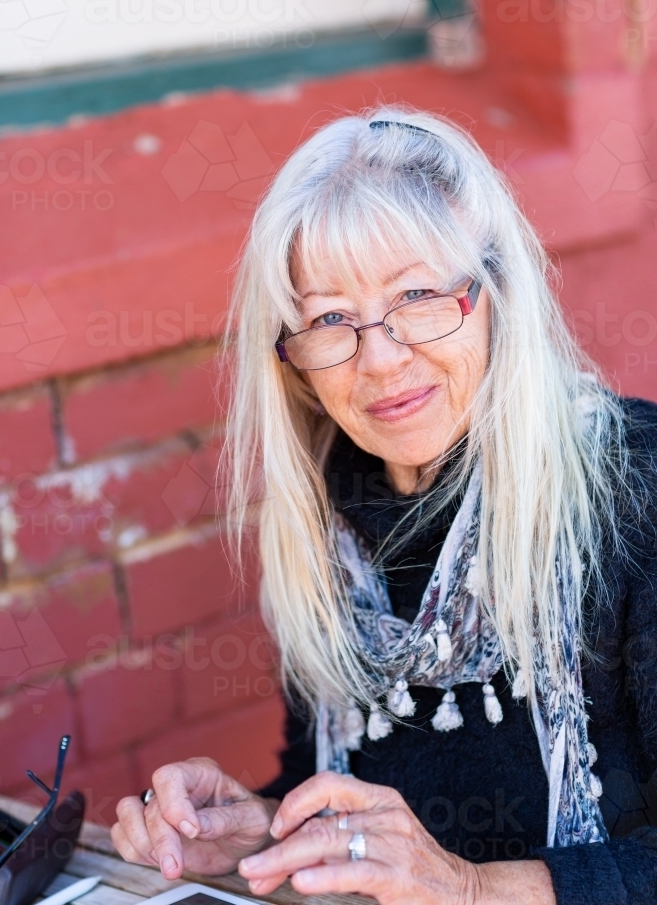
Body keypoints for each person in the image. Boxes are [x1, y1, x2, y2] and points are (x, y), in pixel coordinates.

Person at [111, 109, 657, 904]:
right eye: (330, 318)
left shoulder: (633, 489)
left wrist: (471, 890)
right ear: (294, 362)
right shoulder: (329, 529)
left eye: (416, 295)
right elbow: (345, 788)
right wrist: (261, 831)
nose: (381, 358)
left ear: (497, 296)